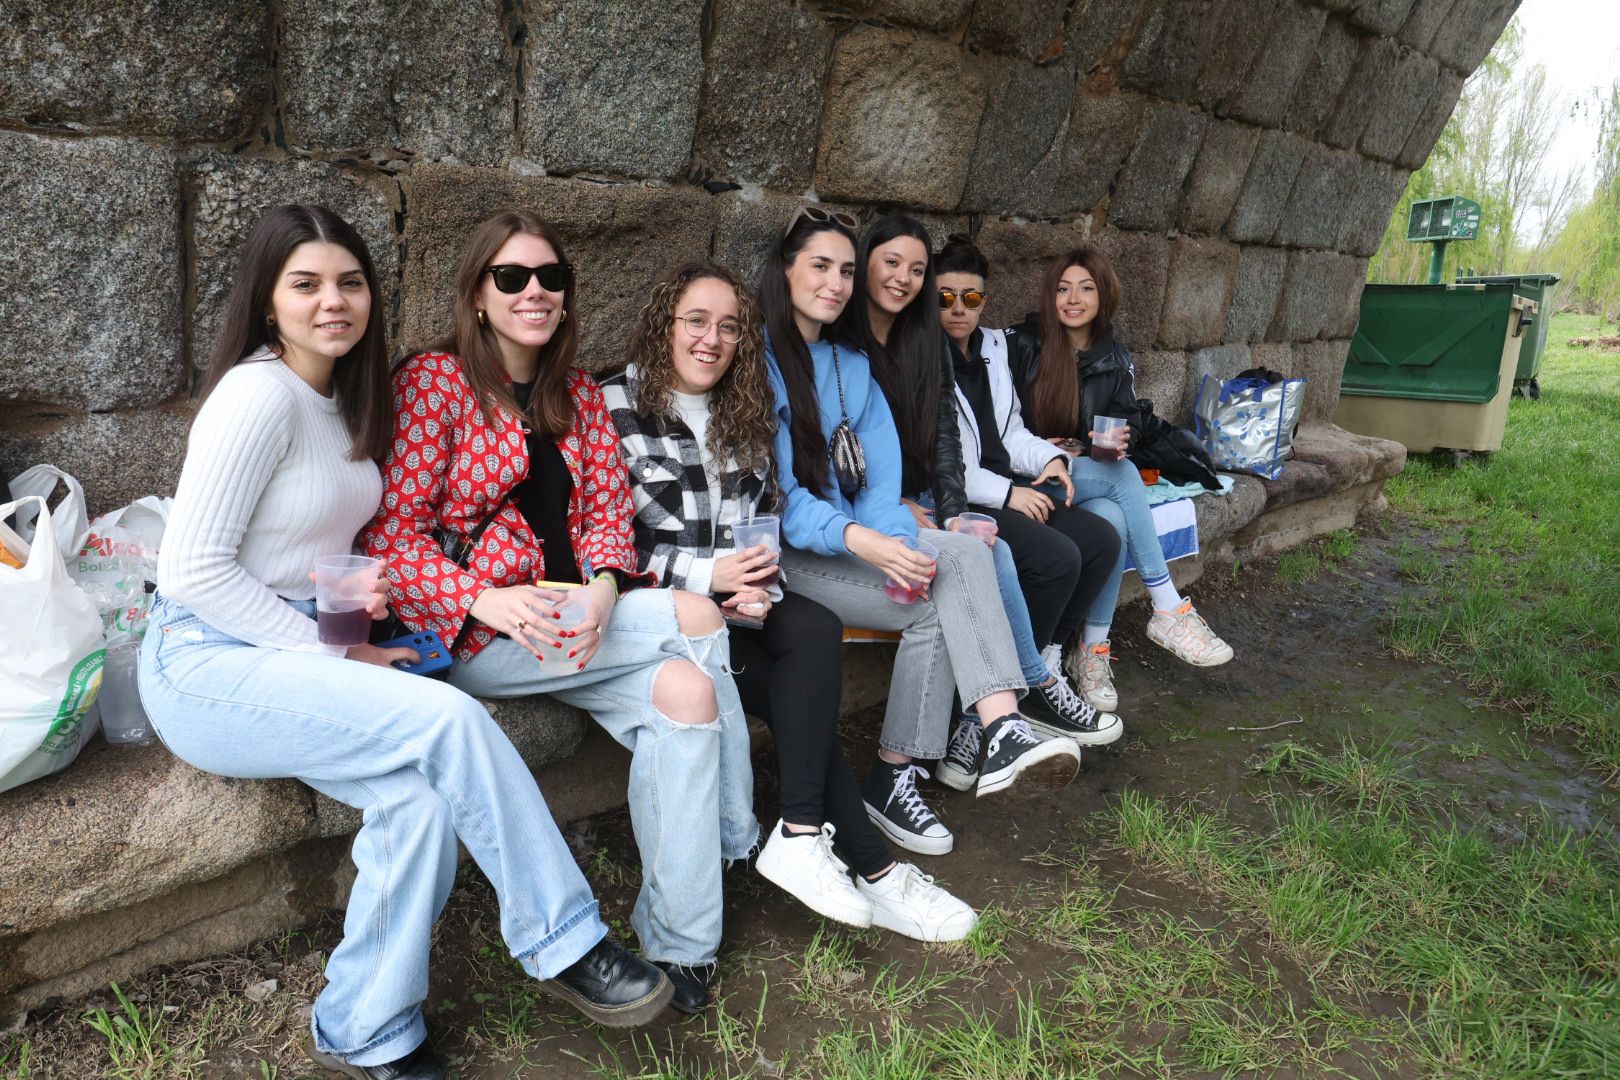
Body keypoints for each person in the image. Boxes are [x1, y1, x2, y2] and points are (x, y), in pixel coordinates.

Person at [140, 206, 671, 1080]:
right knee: (450, 720)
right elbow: (195, 572)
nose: (332, 302)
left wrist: (351, 630)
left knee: (416, 806)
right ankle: (564, 940)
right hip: (205, 662)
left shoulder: (339, 397)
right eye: (304, 284)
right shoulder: (256, 394)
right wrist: (334, 652)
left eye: (349, 282)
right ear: (268, 302)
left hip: (290, 645)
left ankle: (367, 1027)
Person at [362, 210, 759, 1016]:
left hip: (580, 621)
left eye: (550, 277)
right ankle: (739, 837)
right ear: (478, 293)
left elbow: (611, 517)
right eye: (512, 277)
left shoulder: (575, 391)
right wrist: (482, 596)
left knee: (688, 693)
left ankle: (683, 947)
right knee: (700, 617)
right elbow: (390, 532)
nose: (534, 291)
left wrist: (606, 591)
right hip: (484, 627)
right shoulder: (434, 382)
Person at [602, 259, 978, 943]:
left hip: (736, 615)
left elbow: (764, 531)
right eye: (696, 321)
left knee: (810, 626)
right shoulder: (612, 409)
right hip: (666, 621)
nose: (711, 340)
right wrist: (712, 578)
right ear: (664, 325)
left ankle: (804, 835)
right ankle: (872, 865)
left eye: (729, 327)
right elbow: (608, 556)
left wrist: (756, 589)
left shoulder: (743, 412)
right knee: (798, 689)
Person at [759, 206, 1081, 860]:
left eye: (846, 270)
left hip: (856, 540)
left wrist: (897, 544)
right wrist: (866, 543)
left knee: (952, 560)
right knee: (949, 565)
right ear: (786, 269)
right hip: (790, 554)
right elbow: (780, 499)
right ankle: (1001, 726)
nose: (836, 283)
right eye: (820, 266)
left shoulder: (852, 363)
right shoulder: (761, 360)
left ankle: (902, 768)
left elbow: (878, 485)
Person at [840, 217, 1124, 794]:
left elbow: (967, 436)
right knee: (1027, 557)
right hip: (899, 510)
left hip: (941, 500)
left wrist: (1047, 461)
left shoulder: (947, 349)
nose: (956, 308)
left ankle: (1006, 704)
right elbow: (855, 455)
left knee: (1100, 536)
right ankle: (1014, 700)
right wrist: (909, 507)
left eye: (969, 297)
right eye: (942, 294)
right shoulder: (845, 352)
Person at [1008, 247, 1234, 711]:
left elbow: (1123, 419)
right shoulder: (1021, 344)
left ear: (1103, 295)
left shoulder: (1113, 356)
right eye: (1063, 288)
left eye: (1085, 288)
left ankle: (1089, 652)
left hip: (1081, 474)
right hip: (1023, 475)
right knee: (1123, 478)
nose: (1073, 299)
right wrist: (1043, 445)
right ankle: (1167, 605)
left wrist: (1121, 433)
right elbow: (1000, 425)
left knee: (1111, 517)